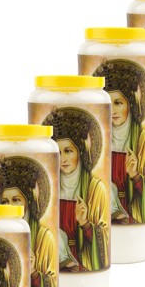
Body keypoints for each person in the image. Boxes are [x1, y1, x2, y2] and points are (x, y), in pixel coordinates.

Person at [42, 107, 108, 272]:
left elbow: (104, 240)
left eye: (68, 151)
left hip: (83, 264)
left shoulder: (95, 188)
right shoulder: (49, 188)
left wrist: (85, 224)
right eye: (57, 153)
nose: (62, 159)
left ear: (80, 151)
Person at [93, 59, 145, 224]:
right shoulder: (99, 142)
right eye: (108, 103)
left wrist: (136, 176)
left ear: (130, 104)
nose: (112, 110)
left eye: (118, 103)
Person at [0, 155, 58, 287]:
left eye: (16, 200)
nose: (10, 206)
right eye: (5, 201)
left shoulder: (44, 237)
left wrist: (34, 272)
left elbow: (52, 284)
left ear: (28, 201)